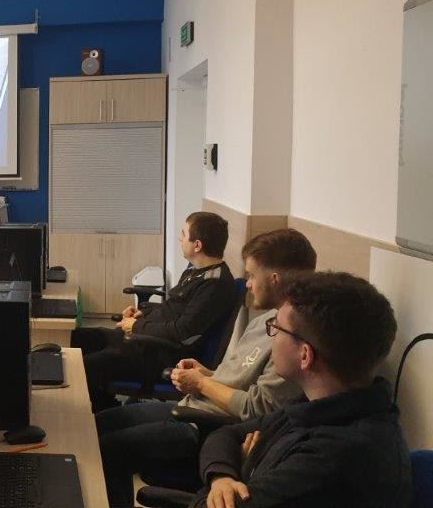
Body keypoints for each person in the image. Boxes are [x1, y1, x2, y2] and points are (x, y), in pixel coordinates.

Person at [96, 228, 317, 507]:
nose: (248, 284)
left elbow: (257, 407)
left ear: (274, 279)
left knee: (103, 450)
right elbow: (239, 379)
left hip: (205, 426)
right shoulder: (265, 321)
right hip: (194, 406)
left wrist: (201, 384)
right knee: (95, 426)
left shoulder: (290, 338)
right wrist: (207, 374)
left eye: (252, 275)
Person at [192, 272, 410, 508]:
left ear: (305, 355)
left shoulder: (334, 457)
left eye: (277, 328)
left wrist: (245, 471)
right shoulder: (319, 405)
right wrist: (222, 478)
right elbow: (226, 435)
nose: (272, 337)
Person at [75, 211, 238, 410]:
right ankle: (104, 404)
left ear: (197, 245)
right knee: (77, 337)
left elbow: (182, 331)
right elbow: (173, 308)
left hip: (160, 354)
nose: (180, 239)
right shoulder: (195, 270)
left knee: (82, 367)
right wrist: (143, 312)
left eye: (183, 234)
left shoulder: (214, 285)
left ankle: (103, 414)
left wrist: (136, 326)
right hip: (146, 340)